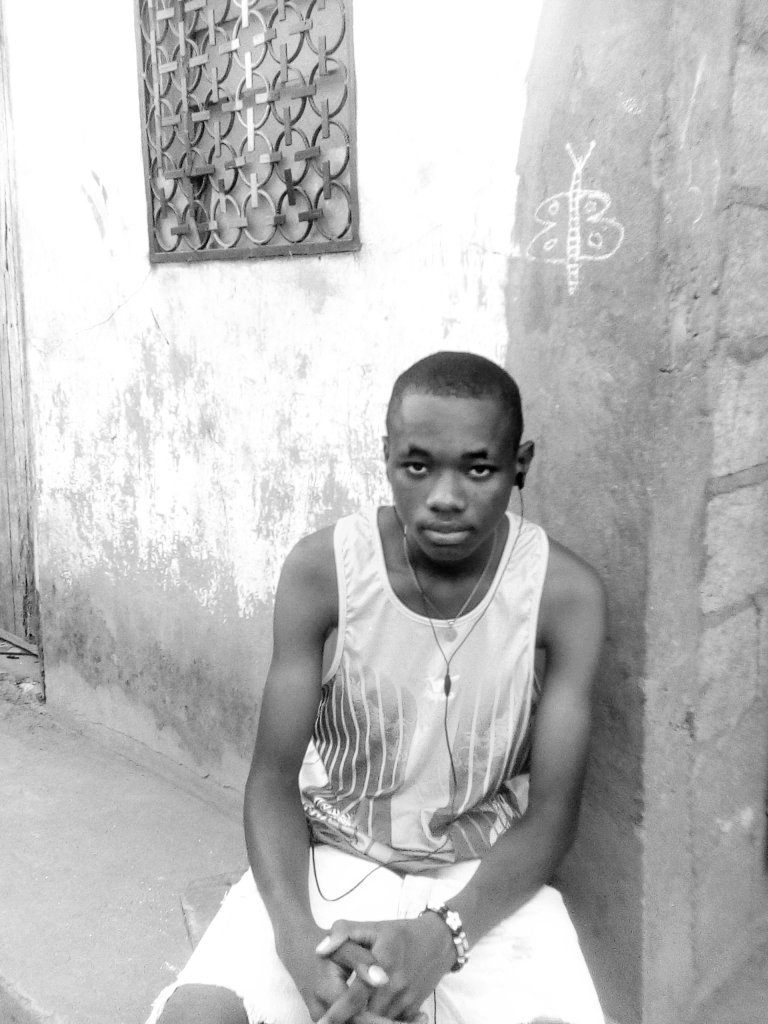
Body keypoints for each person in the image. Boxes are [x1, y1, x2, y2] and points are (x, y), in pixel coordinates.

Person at [146, 351, 607, 1024]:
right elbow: (271, 780)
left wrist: (444, 937)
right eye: (417, 467)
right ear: (387, 457)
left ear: (521, 465)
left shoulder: (565, 594)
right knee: (198, 1019)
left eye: (479, 469)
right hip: (333, 852)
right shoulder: (324, 570)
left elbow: (554, 813)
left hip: (482, 875)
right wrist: (297, 939)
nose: (445, 496)